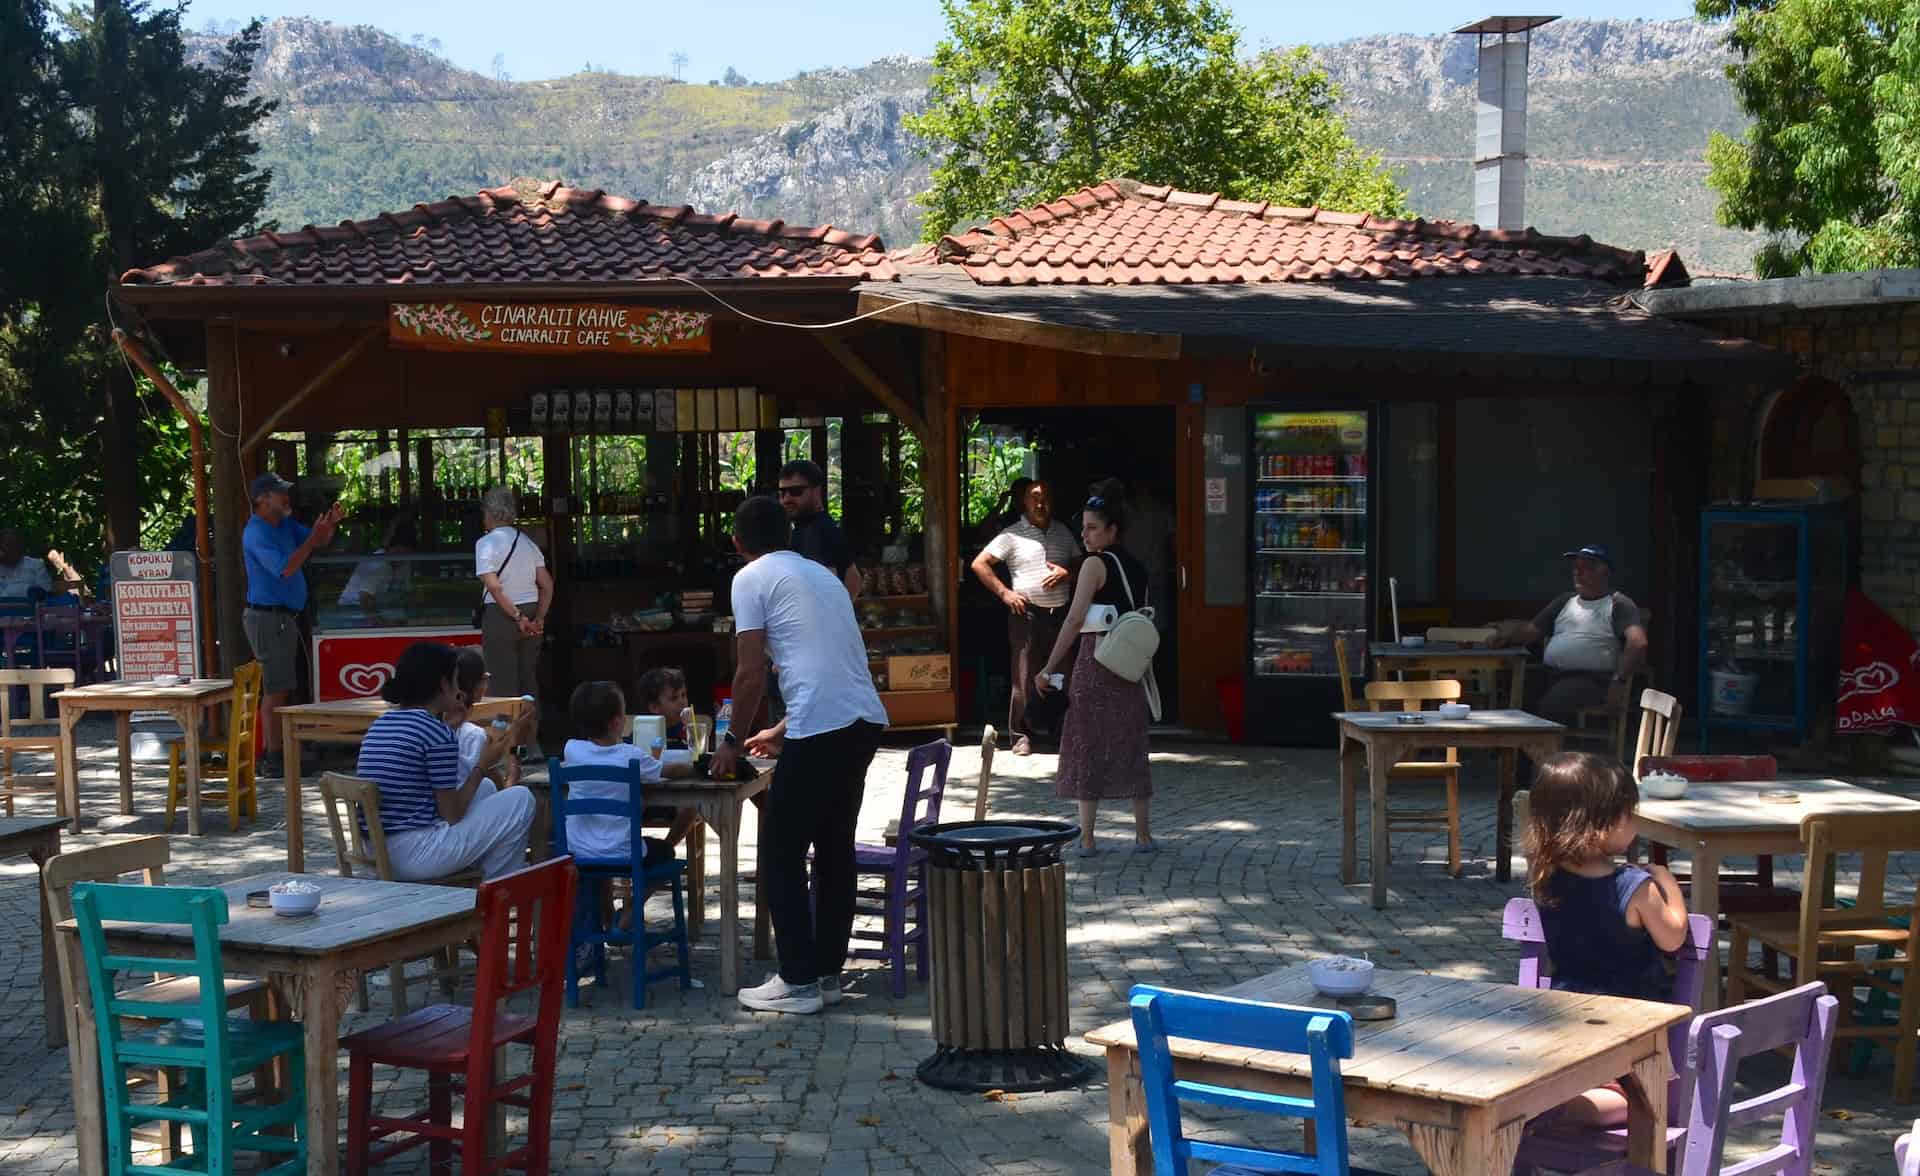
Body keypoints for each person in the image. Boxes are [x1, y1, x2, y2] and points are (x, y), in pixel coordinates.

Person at [712, 495, 887, 1015]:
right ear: (787, 536)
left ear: (738, 543)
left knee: (781, 851)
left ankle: (797, 980)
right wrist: (783, 729)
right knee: (835, 849)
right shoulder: (822, 575)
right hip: (862, 719)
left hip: (824, 724)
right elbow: (831, 663)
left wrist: (729, 742)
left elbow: (749, 674)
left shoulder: (749, 579)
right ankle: (827, 973)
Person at [1525, 751, 1689, 1126]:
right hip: (1632, 1021)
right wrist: (1667, 882)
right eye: (1629, 814)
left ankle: (1553, 1102)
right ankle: (1576, 1110)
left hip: (1565, 1016)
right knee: (1650, 1098)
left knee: (1583, 1079)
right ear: (1602, 823)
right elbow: (1673, 937)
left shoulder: (1546, 878)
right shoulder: (1633, 887)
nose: (1635, 823)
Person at [354, 642, 537, 881]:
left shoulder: (382, 724)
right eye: (455, 681)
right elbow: (453, 814)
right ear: (444, 684)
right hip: (415, 856)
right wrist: (483, 764)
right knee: (521, 800)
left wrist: (451, 728)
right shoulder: (436, 733)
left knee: (486, 789)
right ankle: (495, 892)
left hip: (378, 851)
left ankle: (484, 882)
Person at [1034, 494, 1154, 855]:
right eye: (1083, 527)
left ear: (1111, 531)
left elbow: (1073, 618)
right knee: (1132, 744)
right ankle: (1143, 835)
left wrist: (1049, 666)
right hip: (1130, 664)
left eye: (1092, 528)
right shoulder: (1136, 566)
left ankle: (1087, 837)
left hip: (1097, 659)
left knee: (1088, 746)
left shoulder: (1094, 565)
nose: (1085, 535)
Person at [243, 473, 342, 776]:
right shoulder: (257, 532)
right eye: (278, 493)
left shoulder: (283, 525)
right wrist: (313, 538)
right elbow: (286, 568)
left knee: (283, 686)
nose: (286, 497)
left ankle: (280, 753)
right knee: (275, 689)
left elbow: (319, 541)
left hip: (282, 617)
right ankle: (274, 758)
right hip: (268, 616)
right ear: (262, 499)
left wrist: (330, 525)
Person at [972, 480, 1079, 756]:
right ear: (1024, 502)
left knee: (1062, 675)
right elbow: (979, 564)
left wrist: (1067, 573)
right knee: (1024, 677)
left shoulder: (1063, 531)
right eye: (1034, 498)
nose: (1040, 503)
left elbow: (1080, 563)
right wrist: (1005, 593)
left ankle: (1061, 732)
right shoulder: (1011, 534)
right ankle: (1021, 735)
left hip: (1061, 616)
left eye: (1045, 498)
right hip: (1026, 614)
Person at [1490, 544, 1649, 724]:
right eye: (1576, 568)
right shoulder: (1564, 601)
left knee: (1551, 705)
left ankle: (1540, 751)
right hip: (1550, 673)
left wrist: (1618, 682)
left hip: (1591, 678)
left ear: (1605, 573)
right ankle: (1508, 750)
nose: (1578, 572)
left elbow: (1638, 643)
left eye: (1587, 568)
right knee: (1513, 694)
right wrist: (1506, 637)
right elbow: (1531, 632)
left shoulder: (1618, 603)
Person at [560, 681, 676, 884]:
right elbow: (668, 769)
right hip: (625, 853)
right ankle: (630, 914)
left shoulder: (571, 750)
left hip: (578, 852)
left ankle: (607, 911)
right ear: (616, 723)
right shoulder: (631, 756)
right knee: (667, 851)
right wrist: (694, 764)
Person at [475, 487, 553, 700]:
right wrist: (539, 618)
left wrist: (517, 616)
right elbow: (546, 585)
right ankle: (531, 731)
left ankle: (506, 732)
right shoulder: (528, 543)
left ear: (490, 513)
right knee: (528, 679)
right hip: (531, 610)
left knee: (501, 682)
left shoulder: (485, 544)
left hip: (501, 614)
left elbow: (494, 586)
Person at [633, 667, 698, 851]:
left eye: (684, 695)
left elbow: (697, 756)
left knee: (691, 805)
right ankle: (633, 849)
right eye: (674, 698)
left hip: (678, 796)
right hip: (647, 795)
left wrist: (691, 732)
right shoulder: (643, 729)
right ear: (654, 707)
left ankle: (667, 848)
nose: (682, 702)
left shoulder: (688, 729)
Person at [777, 460, 861, 598]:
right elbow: (854, 580)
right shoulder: (824, 526)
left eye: (795, 491)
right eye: (782, 492)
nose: (786, 499)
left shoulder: (815, 533)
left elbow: (820, 592)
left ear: (816, 490)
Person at [444, 648, 518, 790]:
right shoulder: (473, 735)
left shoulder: (427, 726)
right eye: (484, 679)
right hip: (463, 807)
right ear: (478, 685)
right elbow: (500, 790)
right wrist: (514, 749)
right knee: (523, 796)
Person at [338, 517, 418, 612]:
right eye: (401, 553)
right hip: (352, 611)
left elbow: (404, 593)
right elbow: (365, 598)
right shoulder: (380, 564)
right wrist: (382, 622)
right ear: (392, 548)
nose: (403, 558)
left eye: (407, 554)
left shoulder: (400, 563)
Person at [0, 529, 54, 601]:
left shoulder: (36, 565)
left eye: (12, 545)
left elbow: (47, 594)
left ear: (20, 548)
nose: (7, 550)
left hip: (27, 610)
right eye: (4, 546)